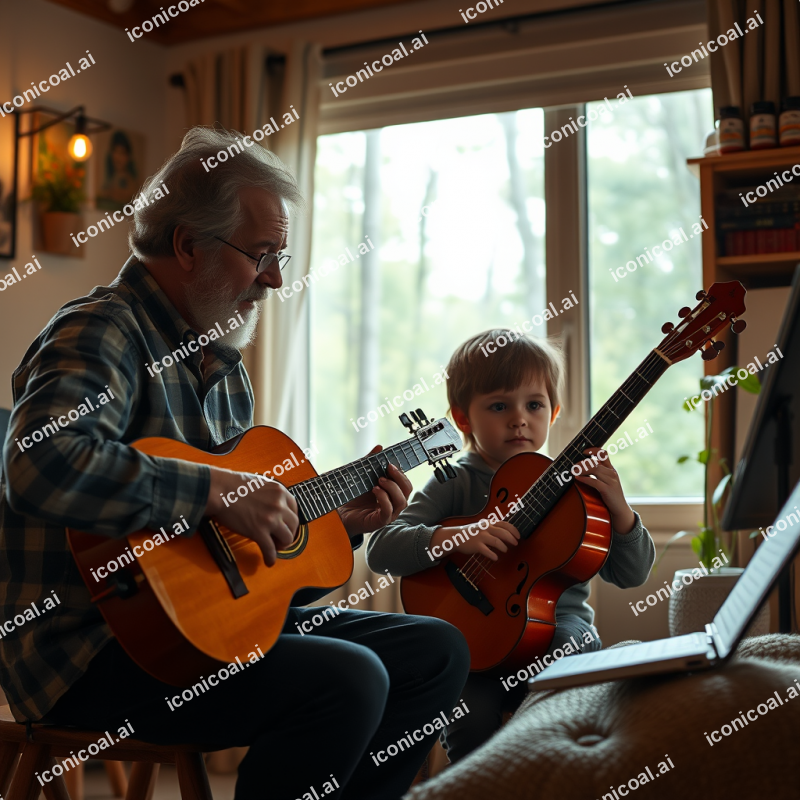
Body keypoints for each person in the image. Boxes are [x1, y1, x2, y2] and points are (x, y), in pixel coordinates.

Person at [0, 127, 470, 800]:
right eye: (262, 254)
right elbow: (38, 464)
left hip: (194, 635)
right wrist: (214, 490)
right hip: (87, 652)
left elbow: (231, 572)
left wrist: (335, 527)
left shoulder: (224, 368)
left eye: (280, 256)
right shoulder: (100, 330)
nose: (276, 278)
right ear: (189, 246)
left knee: (436, 652)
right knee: (349, 677)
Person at [366, 329, 655, 762]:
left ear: (554, 413)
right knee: (468, 720)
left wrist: (620, 510)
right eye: (499, 406)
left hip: (557, 630)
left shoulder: (577, 490)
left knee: (565, 661)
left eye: (534, 405)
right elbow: (381, 549)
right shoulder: (454, 481)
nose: (519, 419)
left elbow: (631, 575)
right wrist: (457, 536)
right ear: (462, 418)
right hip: (476, 643)